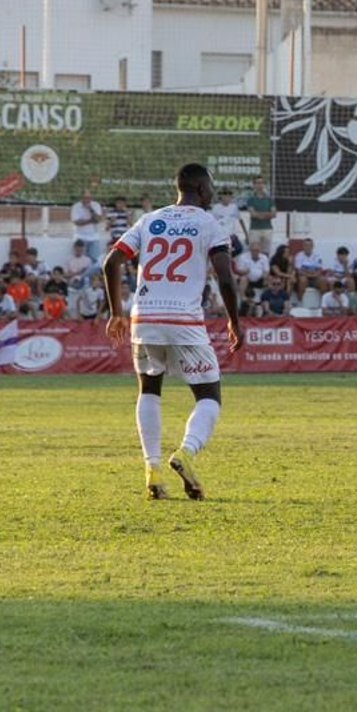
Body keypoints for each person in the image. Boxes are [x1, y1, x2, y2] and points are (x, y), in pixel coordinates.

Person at [101, 162, 243, 500]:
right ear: (202, 189)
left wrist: (115, 313)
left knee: (149, 390)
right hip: (184, 321)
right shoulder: (209, 222)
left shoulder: (150, 220)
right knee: (209, 396)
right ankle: (186, 453)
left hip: (144, 317)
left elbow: (111, 262)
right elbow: (224, 276)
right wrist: (235, 320)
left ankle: (152, 469)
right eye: (210, 186)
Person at [241, 177, 277, 253]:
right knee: (253, 252)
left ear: (264, 185)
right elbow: (253, 214)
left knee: (266, 252)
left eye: (261, 183)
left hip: (267, 229)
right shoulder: (251, 199)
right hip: (255, 229)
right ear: (254, 185)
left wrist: (259, 214)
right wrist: (267, 214)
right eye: (257, 183)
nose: (260, 185)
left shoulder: (269, 199)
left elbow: (274, 214)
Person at [70, 189, 105, 260]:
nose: (87, 200)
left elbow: (98, 219)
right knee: (81, 260)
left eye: (89, 197)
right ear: (81, 197)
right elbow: (77, 222)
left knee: (96, 260)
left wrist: (91, 209)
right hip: (80, 237)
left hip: (94, 237)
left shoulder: (95, 205)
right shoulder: (76, 207)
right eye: (85, 197)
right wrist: (91, 220)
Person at [211, 188, 246, 257]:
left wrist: (246, 234)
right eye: (225, 195)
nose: (227, 198)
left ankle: (229, 257)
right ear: (221, 197)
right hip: (221, 237)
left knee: (239, 249)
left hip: (232, 236)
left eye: (229, 196)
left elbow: (240, 220)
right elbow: (212, 223)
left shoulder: (234, 207)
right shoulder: (215, 208)